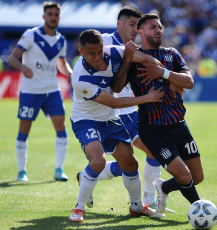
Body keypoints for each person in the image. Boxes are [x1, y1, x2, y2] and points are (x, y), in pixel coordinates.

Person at [76, 5, 174, 213]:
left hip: (130, 108)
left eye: (138, 26)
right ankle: (148, 200)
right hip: (119, 110)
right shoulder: (104, 43)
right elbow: (111, 92)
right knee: (152, 151)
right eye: (131, 24)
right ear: (119, 24)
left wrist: (169, 76)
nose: (135, 30)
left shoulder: (131, 47)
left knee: (130, 162)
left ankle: (86, 177)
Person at [112, 13, 204, 213]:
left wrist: (162, 73)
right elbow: (117, 87)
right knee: (184, 175)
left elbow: (189, 82)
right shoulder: (134, 60)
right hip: (153, 129)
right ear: (140, 32)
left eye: (160, 27)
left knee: (197, 177)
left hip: (179, 124)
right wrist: (126, 61)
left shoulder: (172, 54)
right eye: (152, 27)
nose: (158, 30)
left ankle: (163, 187)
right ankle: (199, 209)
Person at [8, 1, 72, 182]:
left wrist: (70, 73)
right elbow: (13, 58)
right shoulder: (31, 35)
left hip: (52, 90)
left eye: (56, 14)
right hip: (31, 91)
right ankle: (22, 172)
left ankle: (59, 170)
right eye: (50, 14)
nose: (53, 17)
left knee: (61, 127)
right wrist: (23, 67)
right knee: (24, 130)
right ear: (44, 16)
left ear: (59, 17)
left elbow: (61, 62)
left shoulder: (61, 40)